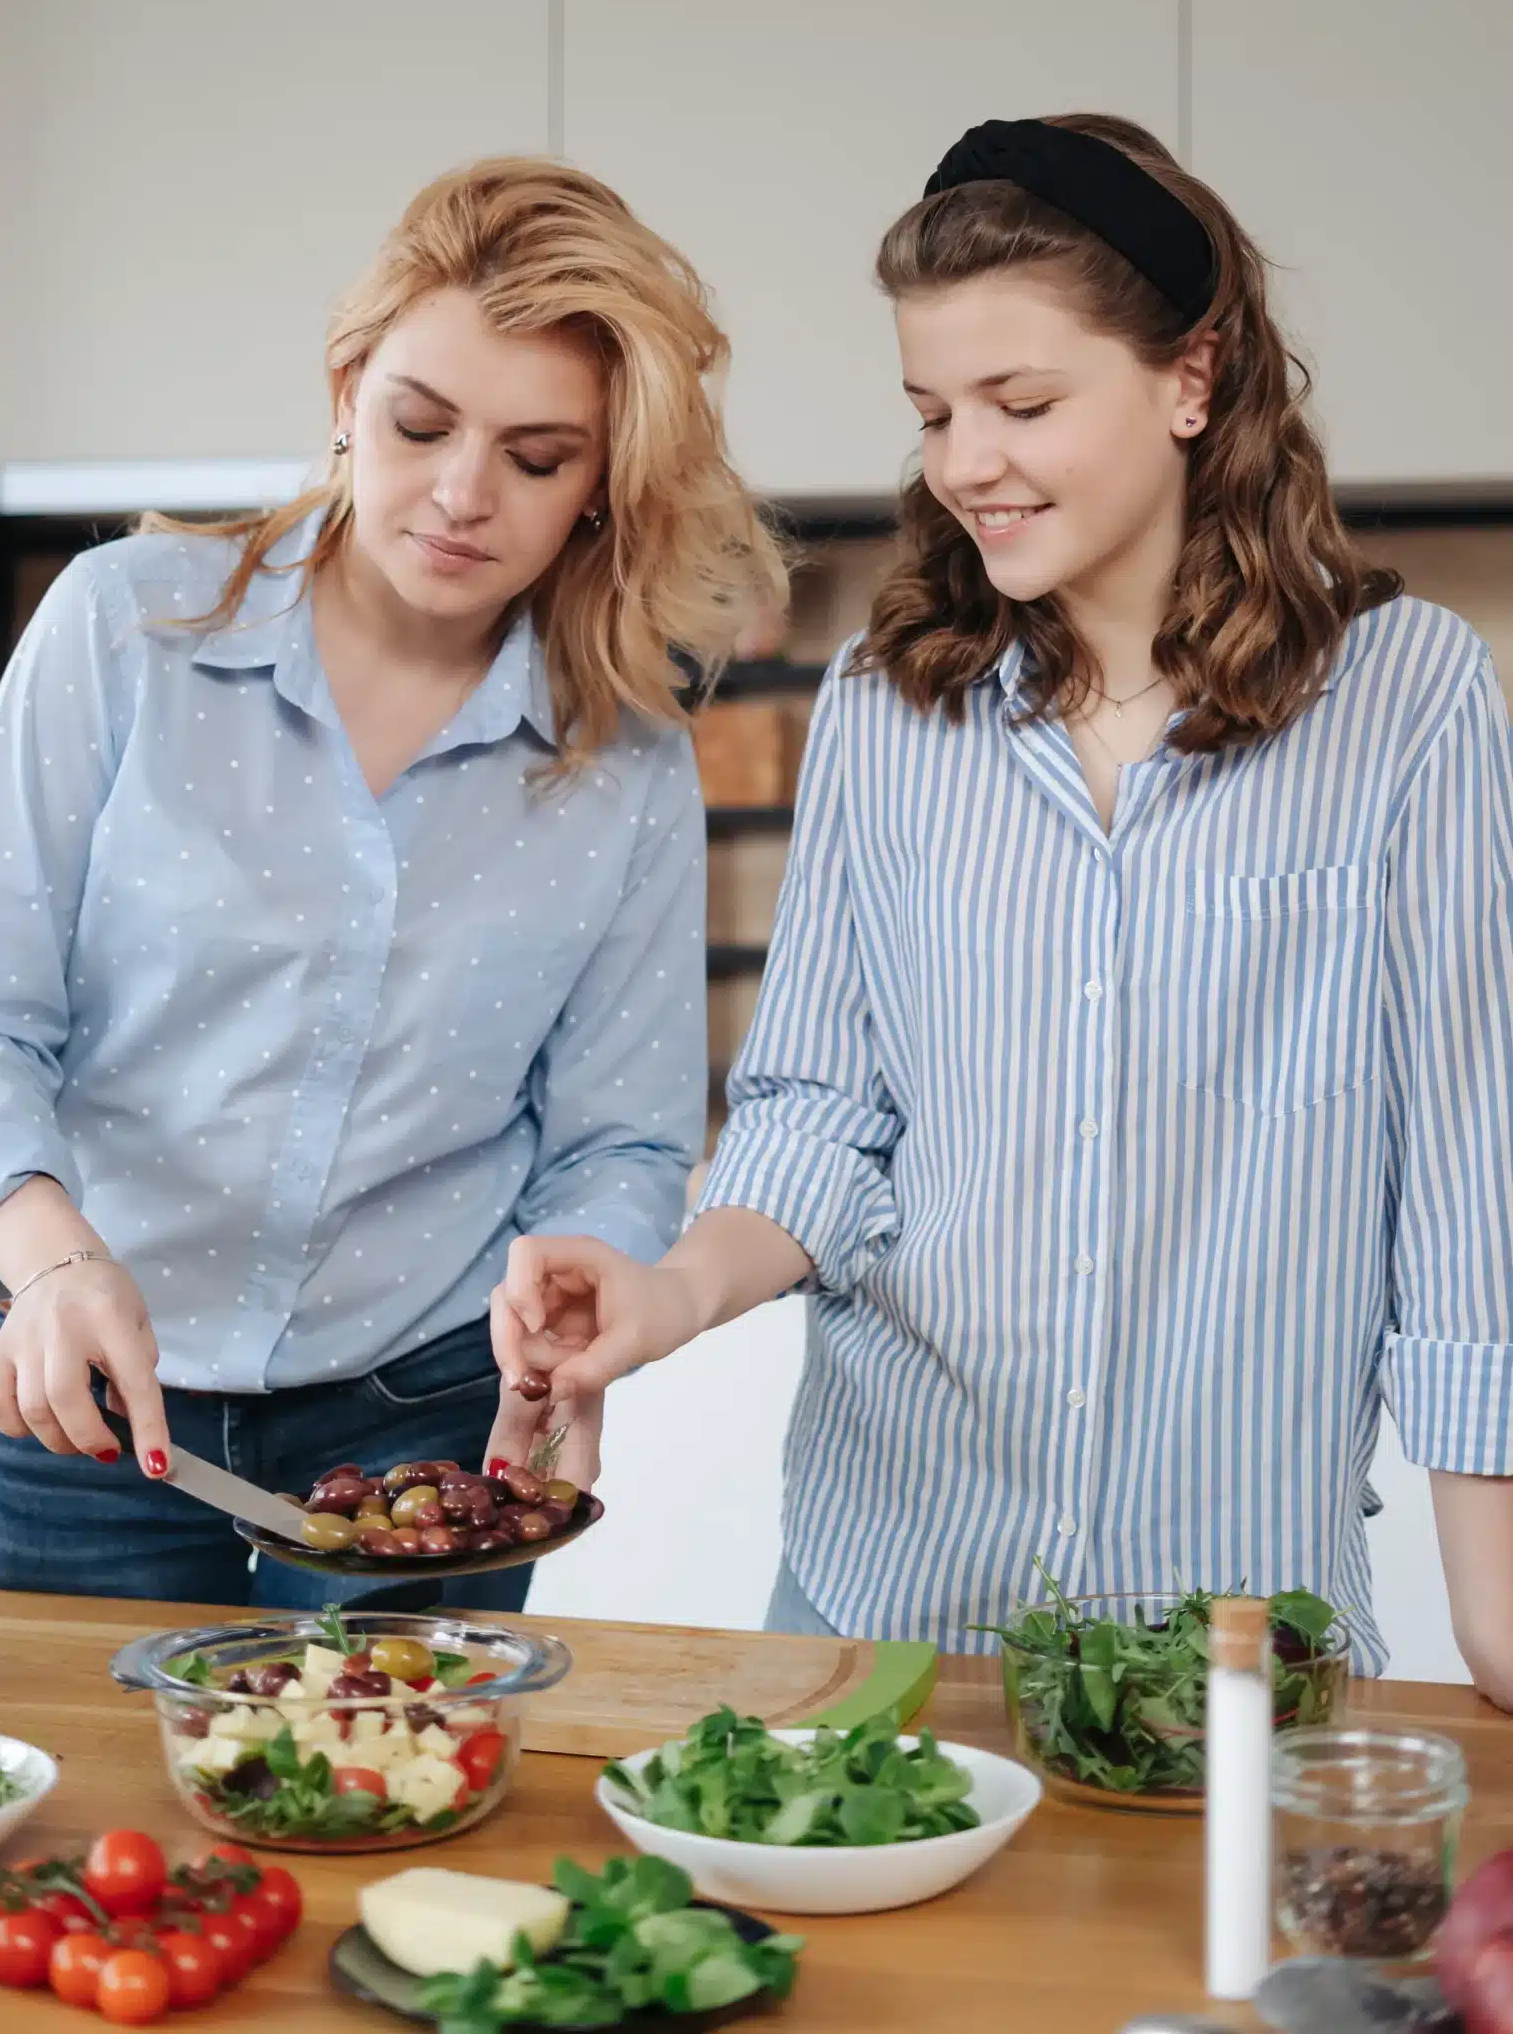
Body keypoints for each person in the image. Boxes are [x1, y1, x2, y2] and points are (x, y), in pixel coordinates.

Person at [490, 114, 1513, 1705]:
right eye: (934, 412)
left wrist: (1491, 1613)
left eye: (1022, 403)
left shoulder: (1405, 701)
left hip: (1227, 1635)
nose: (966, 462)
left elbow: (1463, 1182)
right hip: (883, 1598)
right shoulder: (888, 710)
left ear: (1191, 375)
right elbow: (822, 1115)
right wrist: (672, 1290)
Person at [0, 156, 783, 1610]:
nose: (460, 493)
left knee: (392, 1821)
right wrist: (47, 1265)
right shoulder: (127, 631)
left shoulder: (620, 758)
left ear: (602, 487)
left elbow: (618, 1141)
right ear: (345, 389)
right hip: (82, 1393)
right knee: (78, 1829)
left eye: (538, 458)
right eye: (417, 422)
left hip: (423, 1424)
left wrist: (579, 1291)